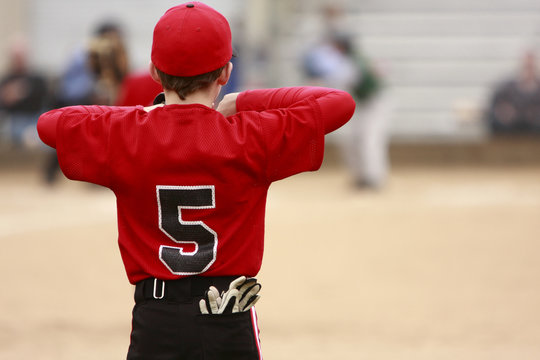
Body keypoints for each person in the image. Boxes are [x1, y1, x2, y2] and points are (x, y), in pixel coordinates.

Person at [37, 2, 355, 359]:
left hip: (155, 317)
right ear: (226, 72)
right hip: (229, 318)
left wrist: (142, 113)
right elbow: (339, 103)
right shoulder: (249, 135)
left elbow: (49, 123)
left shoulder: (128, 135)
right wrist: (244, 100)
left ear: (155, 72)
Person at [0, 35, 48, 147]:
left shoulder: (37, 77)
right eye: (16, 57)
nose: (19, 60)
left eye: (21, 56)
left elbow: (42, 96)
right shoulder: (6, 79)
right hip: (16, 120)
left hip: (35, 118)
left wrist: (21, 91)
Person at [487, 50, 540, 134]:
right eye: (526, 66)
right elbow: (494, 111)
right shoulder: (505, 89)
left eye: (530, 66)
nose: (528, 70)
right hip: (509, 135)